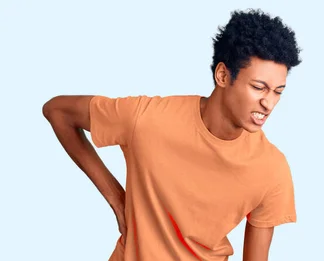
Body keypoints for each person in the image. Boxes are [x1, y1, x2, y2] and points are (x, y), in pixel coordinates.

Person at [42, 8, 302, 261]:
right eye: (259, 87)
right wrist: (115, 198)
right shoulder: (146, 119)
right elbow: (58, 111)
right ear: (223, 75)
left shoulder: (271, 169)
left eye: (278, 91)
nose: (269, 103)